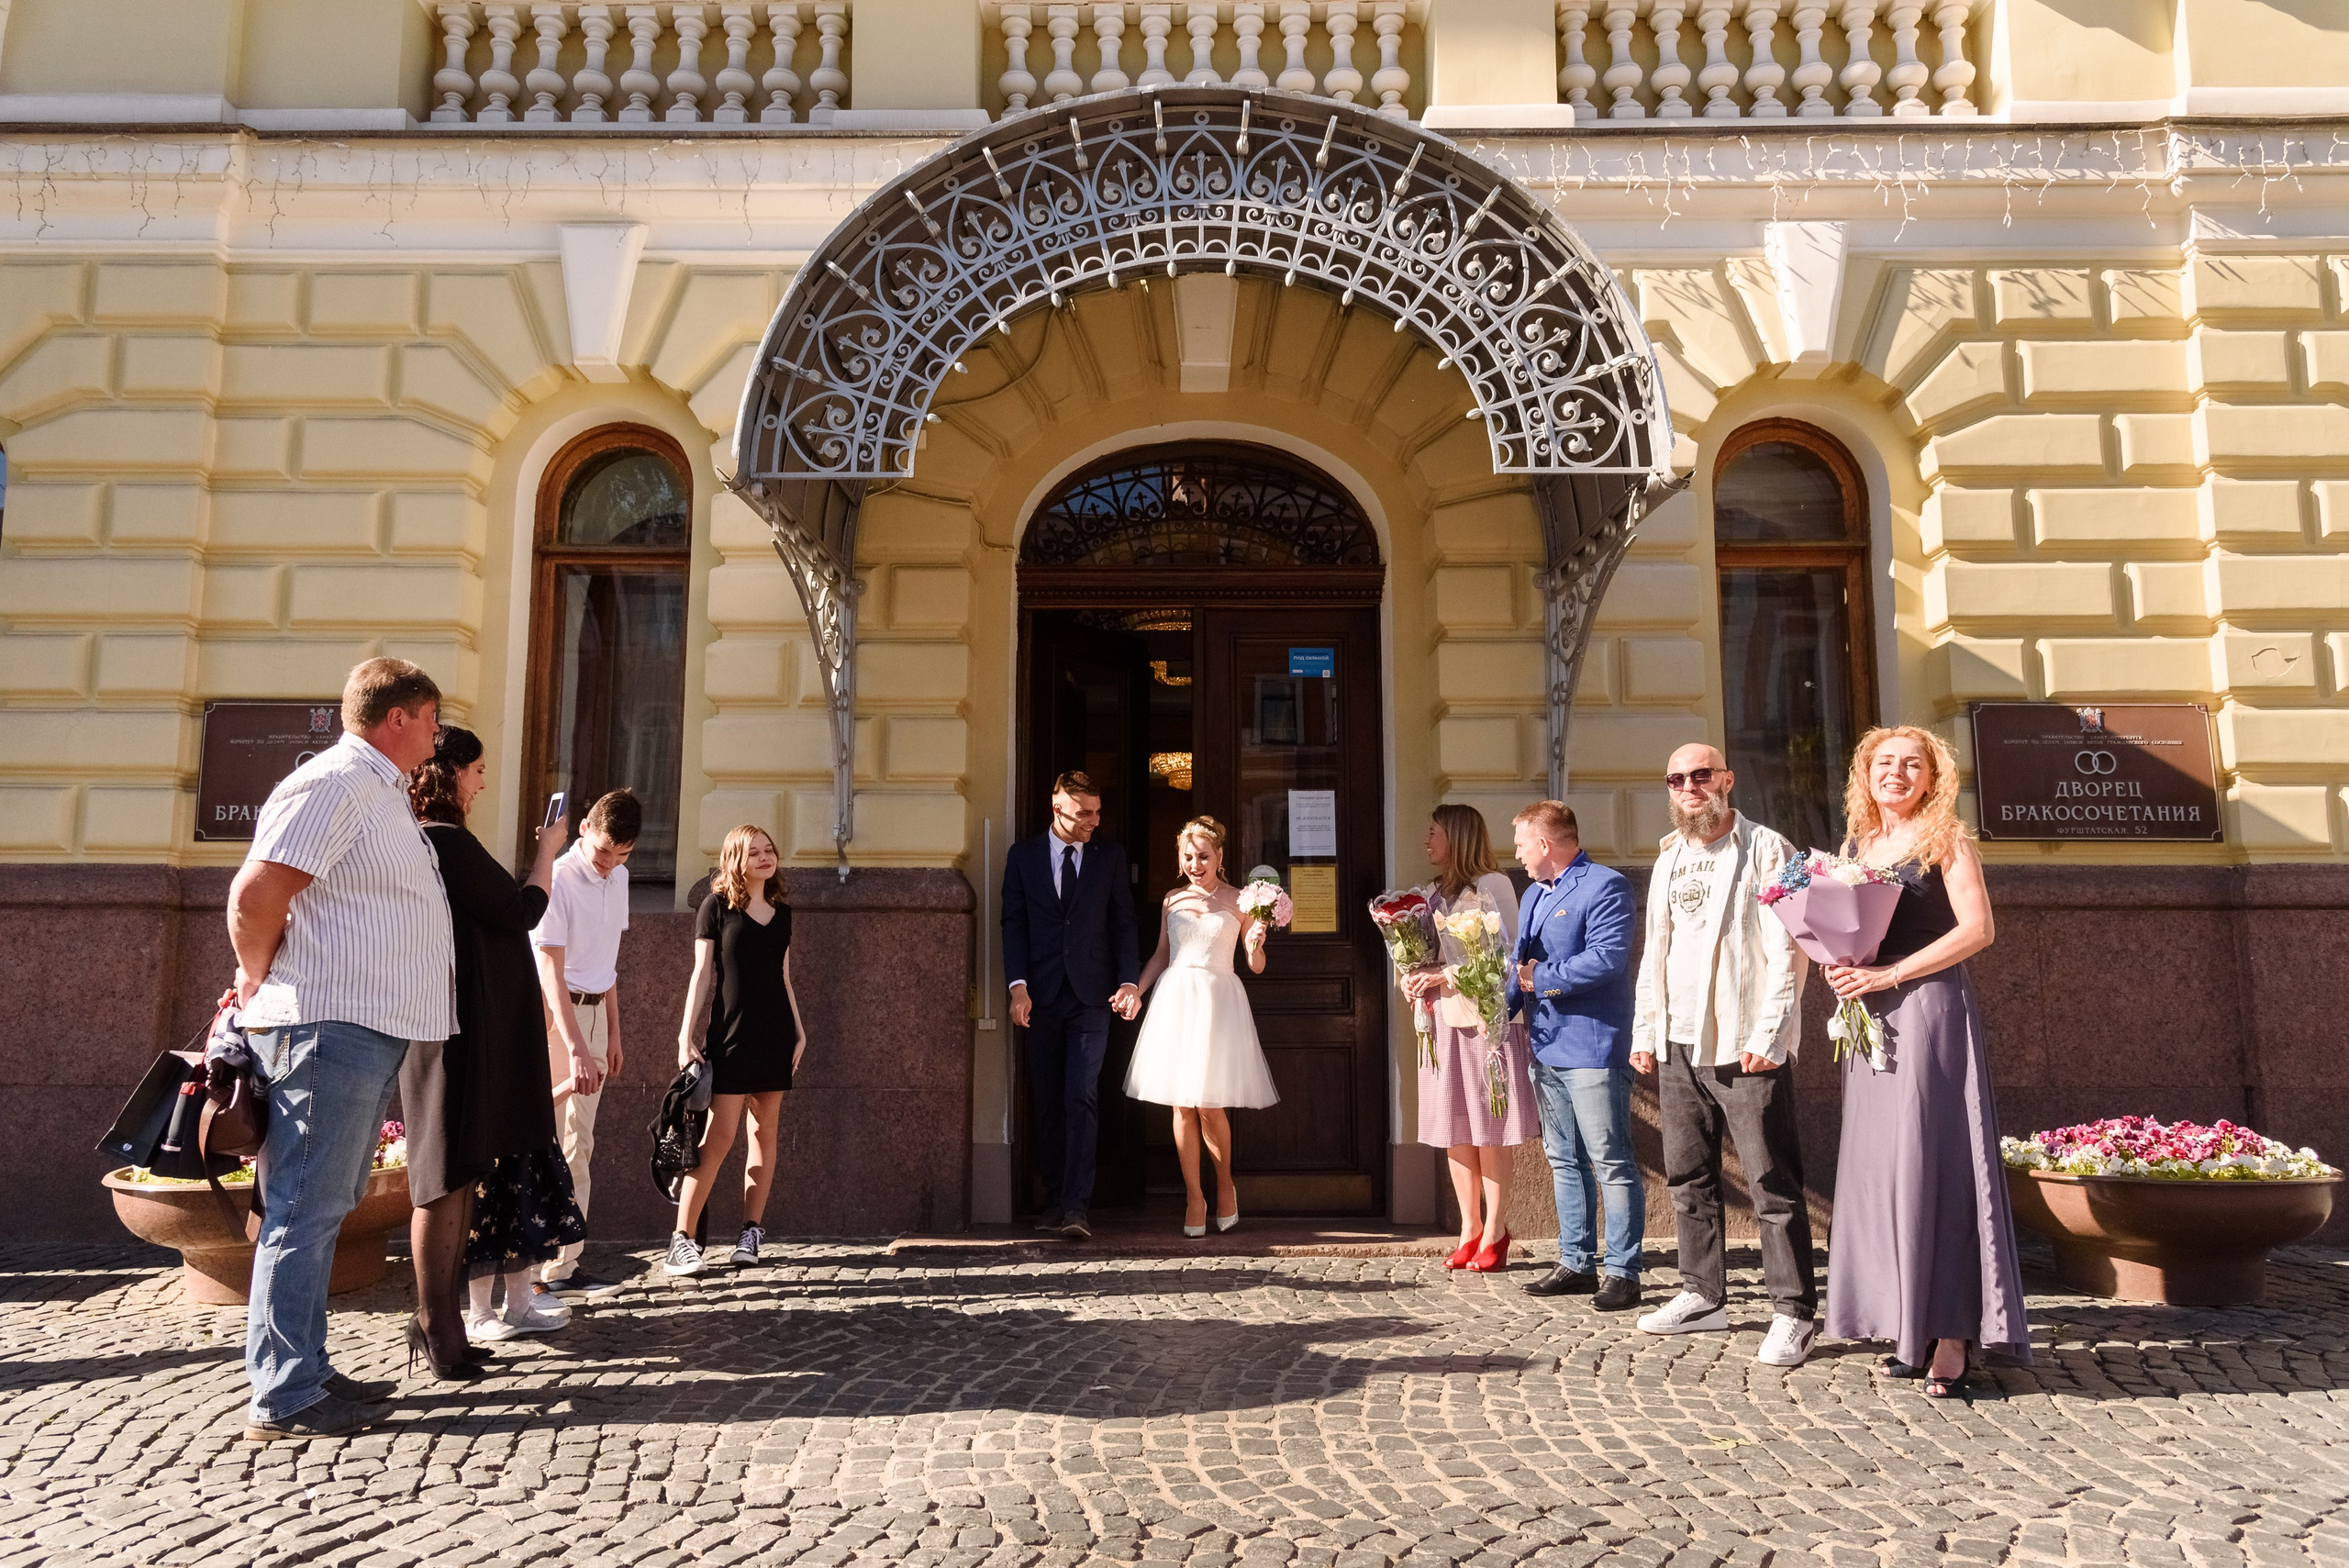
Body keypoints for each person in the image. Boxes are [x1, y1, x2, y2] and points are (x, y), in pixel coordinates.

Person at [228, 657, 454, 1441]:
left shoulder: (376, 789)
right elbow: (256, 895)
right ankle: (284, 1393)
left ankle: (306, 1369)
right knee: (302, 1207)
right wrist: (256, 979)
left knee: (319, 1206)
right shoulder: (338, 782)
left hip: (360, 1022)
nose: (437, 732)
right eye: (431, 718)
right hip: (326, 1022)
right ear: (398, 717)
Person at [1822, 726, 2032, 1397]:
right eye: (1885, 762)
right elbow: (1845, 927)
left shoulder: (1947, 839)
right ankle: (1905, 1325)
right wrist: (1841, 963)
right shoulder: (1857, 845)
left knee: (1936, 1162)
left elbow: (1978, 930)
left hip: (1929, 1010)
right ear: (1866, 774)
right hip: (1871, 1018)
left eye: (1912, 763)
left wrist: (1891, 976)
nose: (1897, 772)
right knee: (1884, 1168)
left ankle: (1951, 1334)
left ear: (1932, 777)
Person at [1629, 743, 1820, 1369]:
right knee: (1688, 1176)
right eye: (1676, 777)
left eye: (1701, 774)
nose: (1689, 785)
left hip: (1743, 1041)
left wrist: (1769, 1036)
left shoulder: (1769, 848)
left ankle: (1793, 1312)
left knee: (1771, 1181)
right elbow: (1655, 950)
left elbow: (1791, 952)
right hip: (1680, 1042)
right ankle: (1701, 1293)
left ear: (1727, 780)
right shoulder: (1669, 857)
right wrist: (1645, 1031)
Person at [401, 726, 585, 1359]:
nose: (482, 781)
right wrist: (549, 850)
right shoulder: (444, 839)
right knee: (443, 1177)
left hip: (465, 1027)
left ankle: (444, 1327)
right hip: (459, 1032)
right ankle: (436, 1325)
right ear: (448, 772)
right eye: (476, 770)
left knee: (457, 1176)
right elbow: (519, 907)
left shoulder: (436, 839)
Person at [1505, 801, 1643, 1311]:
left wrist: (1538, 979)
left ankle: (1624, 1272)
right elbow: (1520, 964)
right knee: (1563, 1159)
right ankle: (1576, 1262)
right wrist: (1498, 1011)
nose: (1517, 855)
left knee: (1611, 1161)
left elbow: (1607, 959)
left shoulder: (1605, 885)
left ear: (1545, 844)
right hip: (1545, 1045)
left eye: (1521, 844)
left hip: (1592, 1044)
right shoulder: (1534, 895)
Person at [1001, 771, 1141, 1241]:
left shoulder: (1110, 857)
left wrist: (1128, 981)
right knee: (1046, 1099)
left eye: (1098, 812)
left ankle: (1078, 1206)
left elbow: (1123, 922)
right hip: (1039, 997)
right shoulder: (1022, 857)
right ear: (1057, 809)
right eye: (1085, 813)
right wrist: (1018, 987)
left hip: (1092, 997)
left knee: (1080, 1095)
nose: (1095, 821)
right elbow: (1013, 924)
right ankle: (1055, 1198)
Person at [1124, 817, 1280, 1235]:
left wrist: (1255, 944)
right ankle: (1195, 1195)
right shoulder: (1173, 900)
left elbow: (1256, 966)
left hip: (1218, 1001)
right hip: (1176, 999)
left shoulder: (1241, 900)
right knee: (1181, 1103)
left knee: (1210, 1104)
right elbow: (1161, 955)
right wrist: (1136, 990)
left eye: (1203, 857)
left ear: (1220, 857)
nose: (1196, 864)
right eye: (1188, 857)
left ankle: (1225, 1184)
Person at [665, 824, 808, 1277]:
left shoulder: (782, 912)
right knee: (720, 1138)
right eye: (755, 852)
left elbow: (783, 978)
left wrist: (800, 1032)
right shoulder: (715, 907)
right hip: (730, 1037)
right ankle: (681, 1240)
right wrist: (685, 1035)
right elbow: (701, 975)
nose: (766, 858)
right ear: (736, 859)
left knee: (764, 1137)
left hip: (776, 1037)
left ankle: (751, 1234)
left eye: (770, 850)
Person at [1399, 805, 1538, 1272]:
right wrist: (1413, 974)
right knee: (1454, 1128)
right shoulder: (1431, 893)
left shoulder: (1493, 886)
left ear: (1455, 837)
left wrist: (1443, 974)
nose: (1427, 839)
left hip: (1486, 1023)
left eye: (1433, 830)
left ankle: (1496, 1230)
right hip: (1440, 1022)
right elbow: (1426, 956)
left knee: (1489, 1129)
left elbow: (1505, 957)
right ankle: (1468, 1228)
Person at [530, 788, 639, 1305]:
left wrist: (613, 1033)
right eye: (603, 852)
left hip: (594, 1017)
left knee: (581, 1143)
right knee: (543, 1141)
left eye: (622, 855)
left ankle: (564, 1266)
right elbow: (549, 969)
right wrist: (574, 1044)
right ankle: (529, 1269)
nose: (610, 864)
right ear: (583, 831)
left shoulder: (617, 878)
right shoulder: (558, 877)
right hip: (556, 1019)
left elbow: (608, 963)